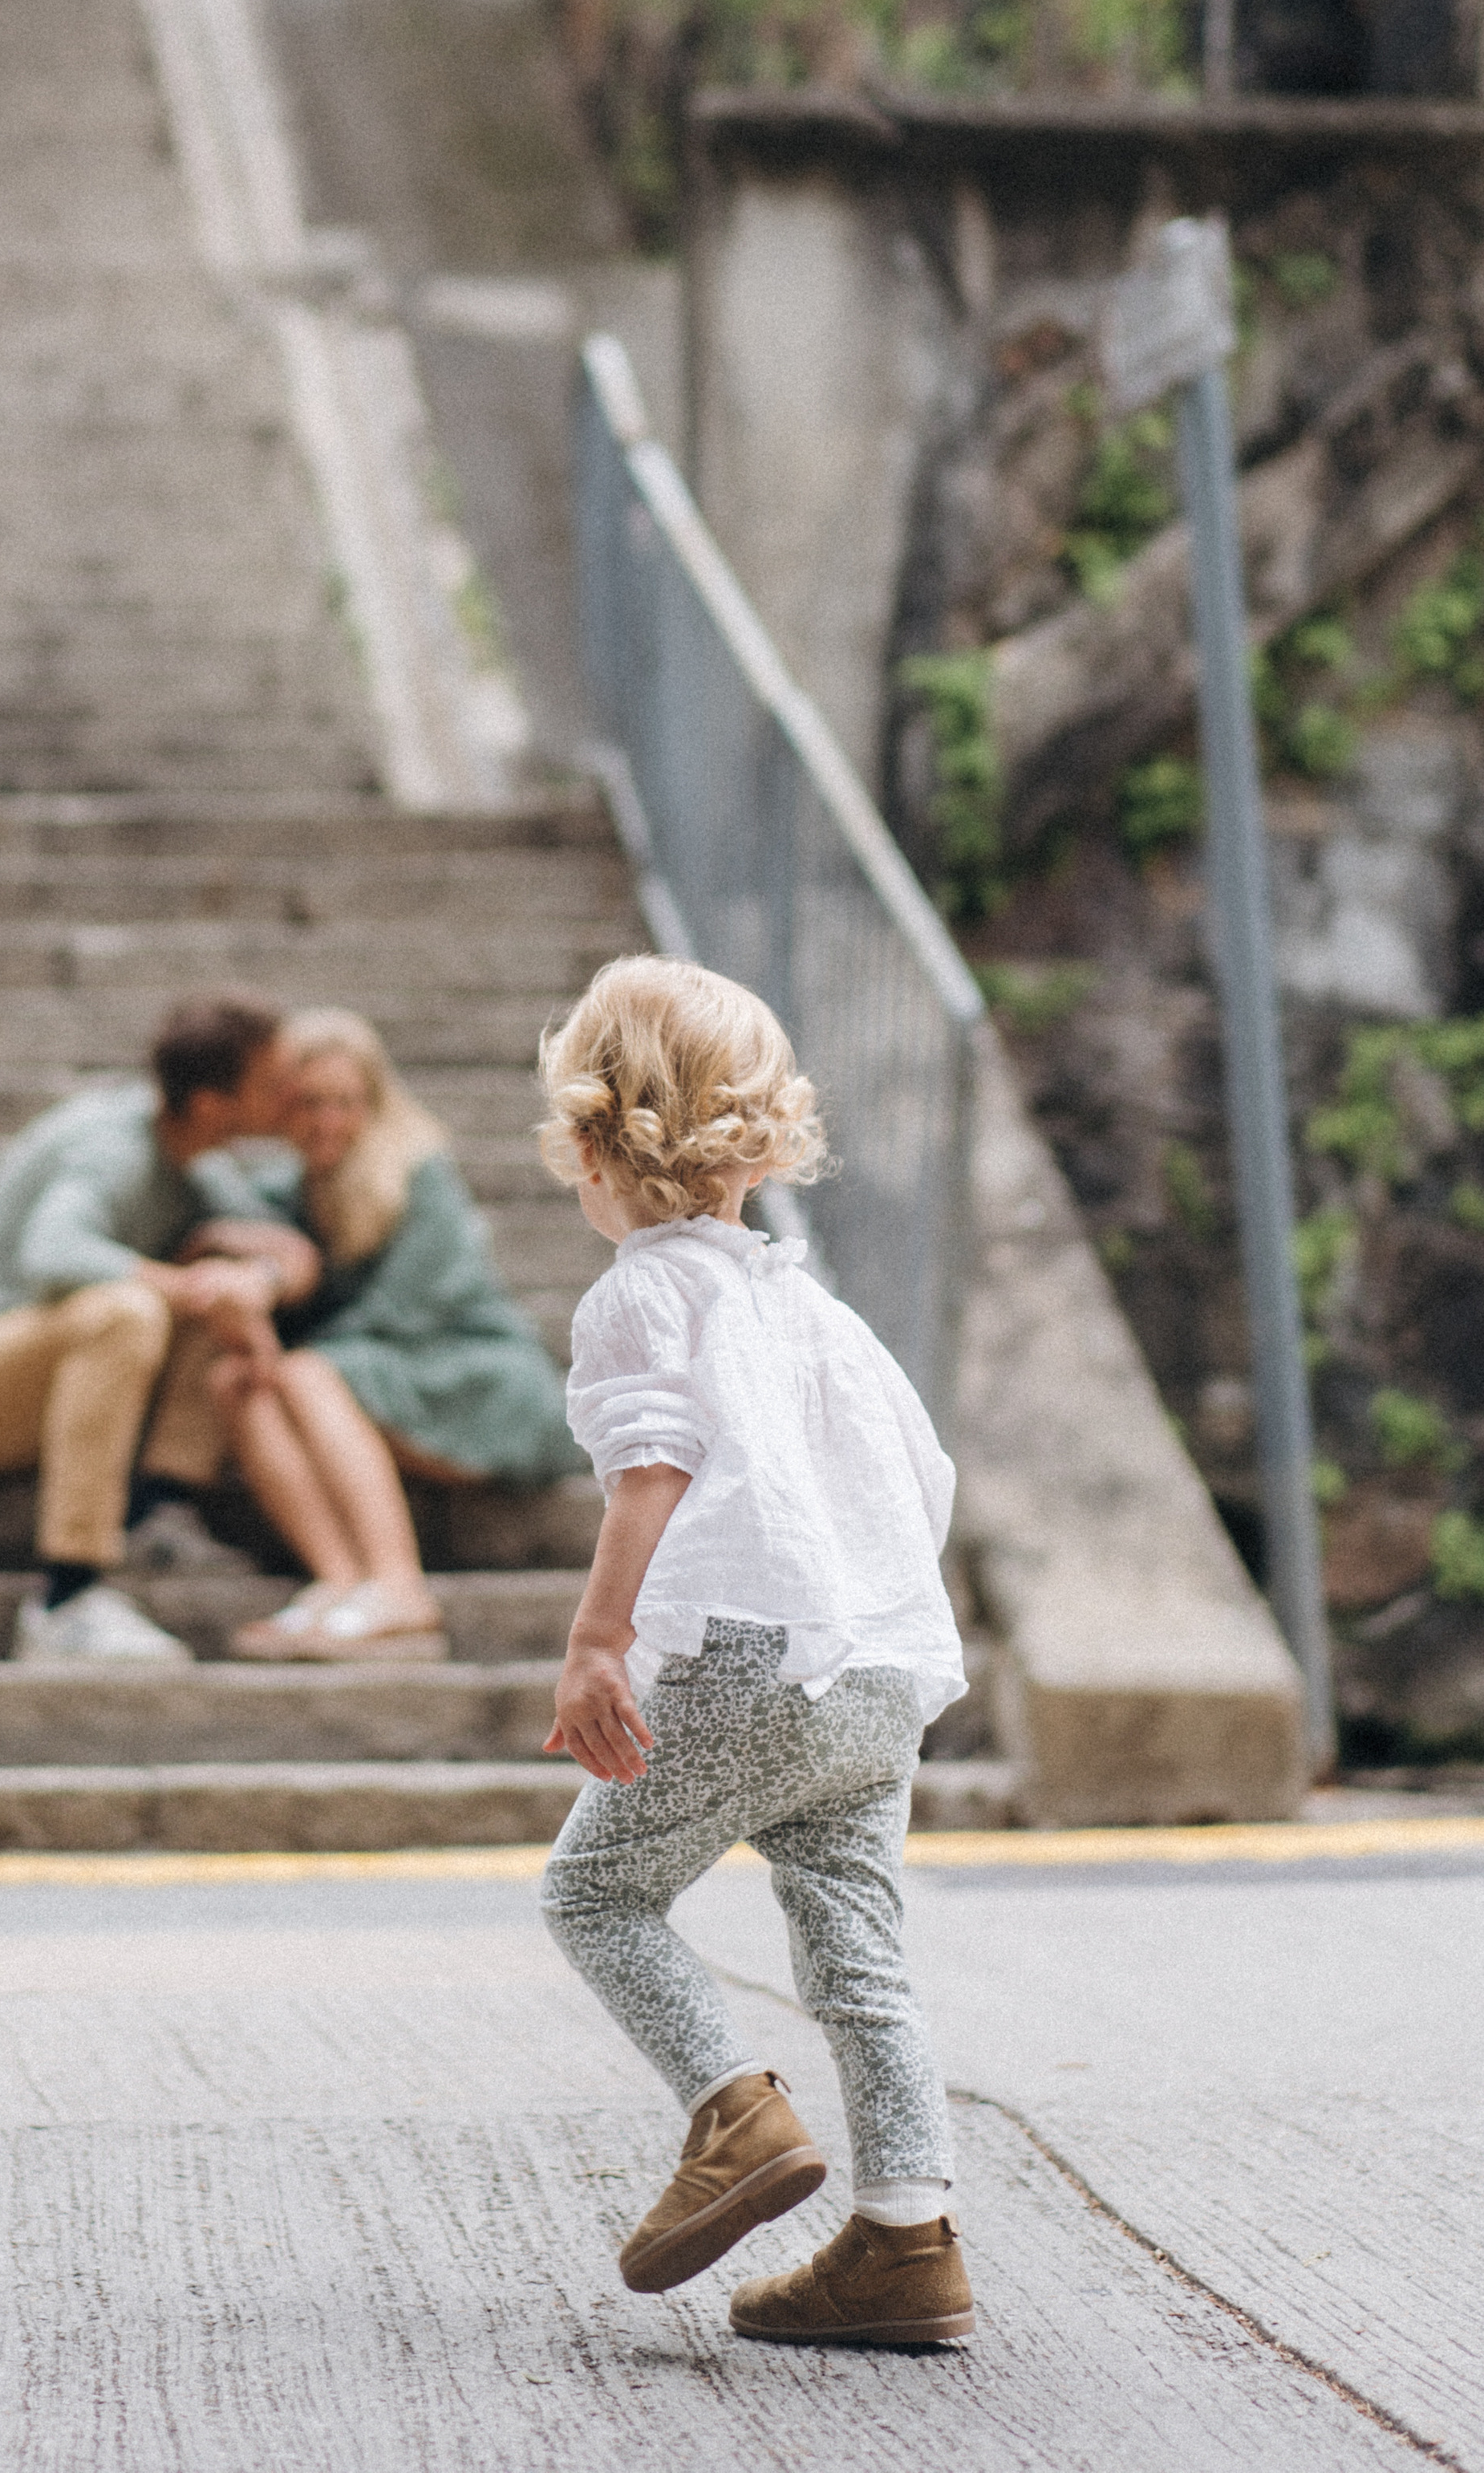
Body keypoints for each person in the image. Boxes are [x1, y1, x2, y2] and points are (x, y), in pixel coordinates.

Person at [533, 954, 976, 2349]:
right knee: (863, 1963)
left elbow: (649, 1468)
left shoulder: (642, 1294)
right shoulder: (816, 1310)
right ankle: (910, 2240)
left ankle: (735, 2117)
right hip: (882, 1667)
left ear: (594, 1142)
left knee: (597, 1895)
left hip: (745, 1661)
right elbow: (928, 1478)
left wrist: (600, 1640)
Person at [0, 990, 320, 1666]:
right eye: (275, 1084)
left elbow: (285, 1245)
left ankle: (155, 1515)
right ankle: (65, 1600)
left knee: (213, 1286)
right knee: (126, 1308)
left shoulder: (195, 1163)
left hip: (36, 1392)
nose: (293, 1094)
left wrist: (256, 1283)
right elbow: (54, 1252)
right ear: (213, 1105)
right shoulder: (111, 1142)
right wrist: (192, 1288)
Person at [213, 1007, 582, 1663]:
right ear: (279, 1108)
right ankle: (338, 1582)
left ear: (374, 1103)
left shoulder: (416, 1173)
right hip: (378, 1379)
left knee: (301, 1372)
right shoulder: (287, 1193)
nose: (327, 1122)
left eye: (345, 1103)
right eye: (308, 1104)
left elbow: (402, 1315)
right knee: (237, 1383)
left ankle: (400, 1588)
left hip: (476, 1379)